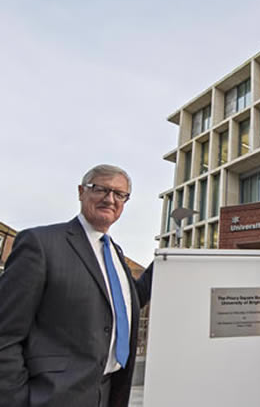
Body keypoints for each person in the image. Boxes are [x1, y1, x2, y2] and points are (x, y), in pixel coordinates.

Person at [0, 164, 153, 407]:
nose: (110, 199)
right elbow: (5, 334)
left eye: (119, 194)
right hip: (52, 396)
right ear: (81, 191)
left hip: (109, 391)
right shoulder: (40, 244)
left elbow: (128, 303)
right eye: (101, 189)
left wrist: (167, 260)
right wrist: (17, 400)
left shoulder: (115, 254)